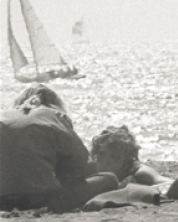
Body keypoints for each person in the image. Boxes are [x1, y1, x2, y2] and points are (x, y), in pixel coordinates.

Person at [0, 84, 120, 212]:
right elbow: (80, 165)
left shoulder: (3, 116)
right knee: (109, 179)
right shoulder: (56, 117)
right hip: (39, 202)